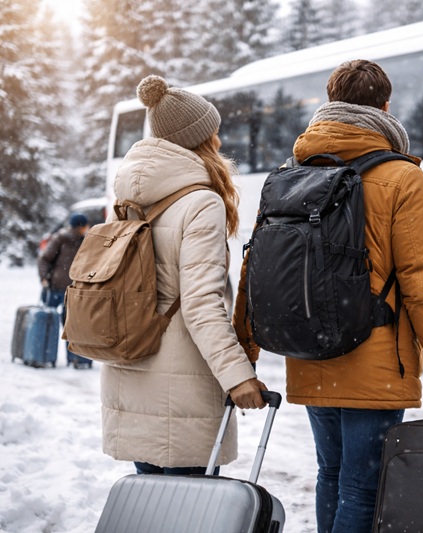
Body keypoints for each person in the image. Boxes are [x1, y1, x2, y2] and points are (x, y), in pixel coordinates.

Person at [233, 59, 423, 533]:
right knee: (362, 488)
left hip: (311, 349)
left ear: (330, 102)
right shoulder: (402, 177)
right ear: (385, 107)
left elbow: (254, 272)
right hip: (375, 360)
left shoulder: (290, 172)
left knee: (331, 475)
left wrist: (245, 355)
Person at [102, 75, 268, 477]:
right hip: (183, 389)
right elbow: (201, 305)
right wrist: (238, 377)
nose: (220, 142)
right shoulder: (201, 203)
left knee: (154, 503)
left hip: (132, 368)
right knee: (193, 504)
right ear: (198, 139)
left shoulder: (127, 197)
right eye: (214, 133)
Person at [37, 212, 92, 368]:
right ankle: (74, 358)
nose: (88, 228)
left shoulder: (81, 240)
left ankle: (45, 355)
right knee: (72, 324)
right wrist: (44, 277)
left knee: (52, 323)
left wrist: (45, 278)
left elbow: (43, 259)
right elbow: (44, 259)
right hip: (64, 289)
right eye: (86, 225)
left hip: (62, 287)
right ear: (80, 226)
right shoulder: (62, 239)